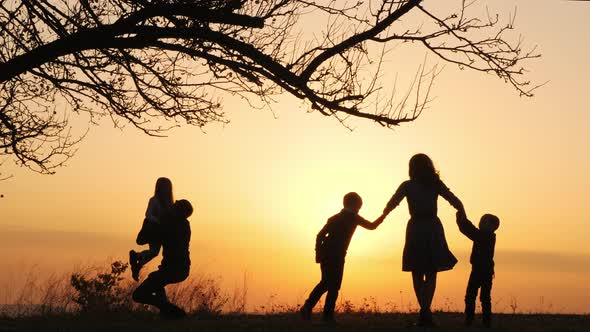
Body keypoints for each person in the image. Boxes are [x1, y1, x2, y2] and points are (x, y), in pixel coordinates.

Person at [382, 153, 464, 326]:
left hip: (418, 228)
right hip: (431, 227)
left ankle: (425, 312)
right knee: (430, 270)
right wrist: (462, 213)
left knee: (418, 271)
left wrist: (380, 218)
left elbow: (392, 203)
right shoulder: (433, 184)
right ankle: (425, 311)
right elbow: (454, 200)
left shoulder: (410, 185)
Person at [300, 192, 386, 323]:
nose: (359, 209)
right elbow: (372, 226)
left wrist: (318, 254)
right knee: (333, 285)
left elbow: (320, 236)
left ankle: (310, 309)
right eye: (359, 206)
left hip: (327, 254)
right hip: (337, 255)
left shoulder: (334, 218)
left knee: (326, 283)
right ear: (354, 205)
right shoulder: (354, 217)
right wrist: (384, 215)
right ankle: (324, 315)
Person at [132, 199, 193, 318]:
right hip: (180, 270)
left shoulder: (169, 227)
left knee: (138, 295)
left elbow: (140, 240)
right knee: (157, 282)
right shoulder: (184, 225)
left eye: (175, 204)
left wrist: (149, 220)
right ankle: (167, 313)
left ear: (177, 211)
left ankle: (175, 312)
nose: (172, 204)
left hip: (171, 270)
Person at [456, 211, 500, 328]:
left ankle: (479, 322)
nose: (480, 223)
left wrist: (462, 218)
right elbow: (469, 230)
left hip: (483, 271)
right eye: (481, 221)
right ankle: (474, 321)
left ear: (492, 227)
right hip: (479, 270)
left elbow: (469, 231)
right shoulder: (483, 235)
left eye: (484, 222)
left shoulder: (486, 237)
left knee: (480, 297)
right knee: (473, 296)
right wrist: (461, 220)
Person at [129, 177, 174, 281]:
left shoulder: (169, 202)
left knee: (155, 252)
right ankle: (137, 260)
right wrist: (159, 221)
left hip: (163, 231)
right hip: (155, 231)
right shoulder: (154, 200)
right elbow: (148, 214)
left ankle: (137, 260)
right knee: (154, 252)